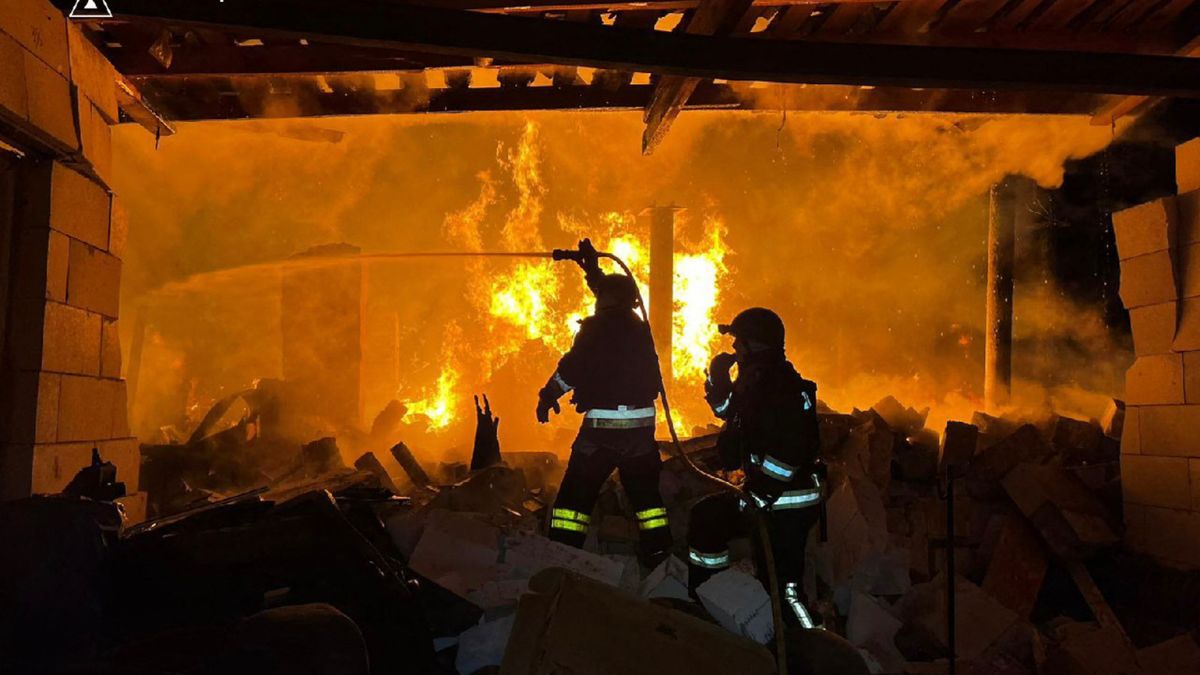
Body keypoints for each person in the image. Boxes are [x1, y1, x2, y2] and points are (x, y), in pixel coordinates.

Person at [687, 307, 826, 628]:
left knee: (784, 588)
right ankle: (712, 601)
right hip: (767, 497)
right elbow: (728, 413)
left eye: (739, 342)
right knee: (706, 520)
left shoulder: (780, 386)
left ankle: (809, 643)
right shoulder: (755, 380)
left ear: (754, 344)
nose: (734, 349)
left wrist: (761, 492)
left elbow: (792, 451)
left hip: (788, 502)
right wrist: (718, 379)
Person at [536, 239, 672, 566]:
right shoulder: (639, 328)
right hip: (640, 435)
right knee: (648, 504)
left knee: (573, 502)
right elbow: (614, 296)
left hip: (601, 435)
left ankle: (562, 556)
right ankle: (659, 558)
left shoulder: (596, 329)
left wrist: (547, 396)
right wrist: (592, 271)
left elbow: (571, 371)